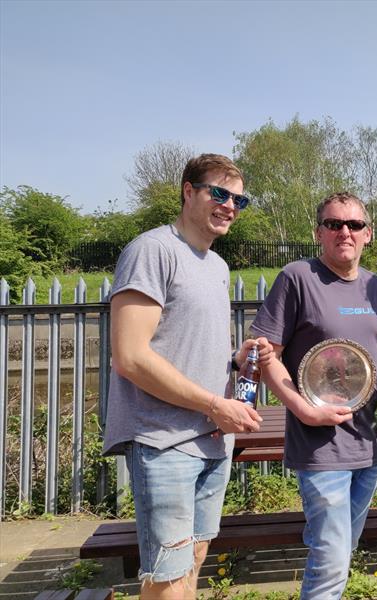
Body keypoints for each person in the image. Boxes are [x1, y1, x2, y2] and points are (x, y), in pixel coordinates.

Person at [103, 154, 264, 599]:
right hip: (164, 440)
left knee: (190, 565)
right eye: (219, 193)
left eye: (239, 198)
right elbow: (130, 357)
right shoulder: (151, 250)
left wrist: (237, 359)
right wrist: (215, 404)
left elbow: (183, 347)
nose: (230, 204)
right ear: (188, 191)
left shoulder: (216, 265)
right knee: (168, 576)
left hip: (211, 439)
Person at [250, 192, 377, 599]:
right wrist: (304, 411)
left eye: (354, 225)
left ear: (368, 234)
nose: (345, 231)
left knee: (341, 548)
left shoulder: (373, 285)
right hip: (320, 446)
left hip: (370, 439)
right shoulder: (297, 277)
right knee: (331, 558)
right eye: (334, 224)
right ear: (318, 232)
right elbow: (264, 353)